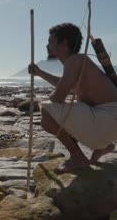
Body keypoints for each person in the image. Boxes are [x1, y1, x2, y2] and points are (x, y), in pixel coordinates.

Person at [29, 22, 117, 174]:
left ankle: (77, 157)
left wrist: (51, 97)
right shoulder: (77, 62)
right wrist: (40, 73)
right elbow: (63, 83)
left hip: (108, 118)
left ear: (64, 43)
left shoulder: (75, 61)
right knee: (64, 111)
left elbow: (58, 97)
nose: (47, 45)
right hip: (110, 122)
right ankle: (103, 146)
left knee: (47, 113)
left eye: (51, 41)